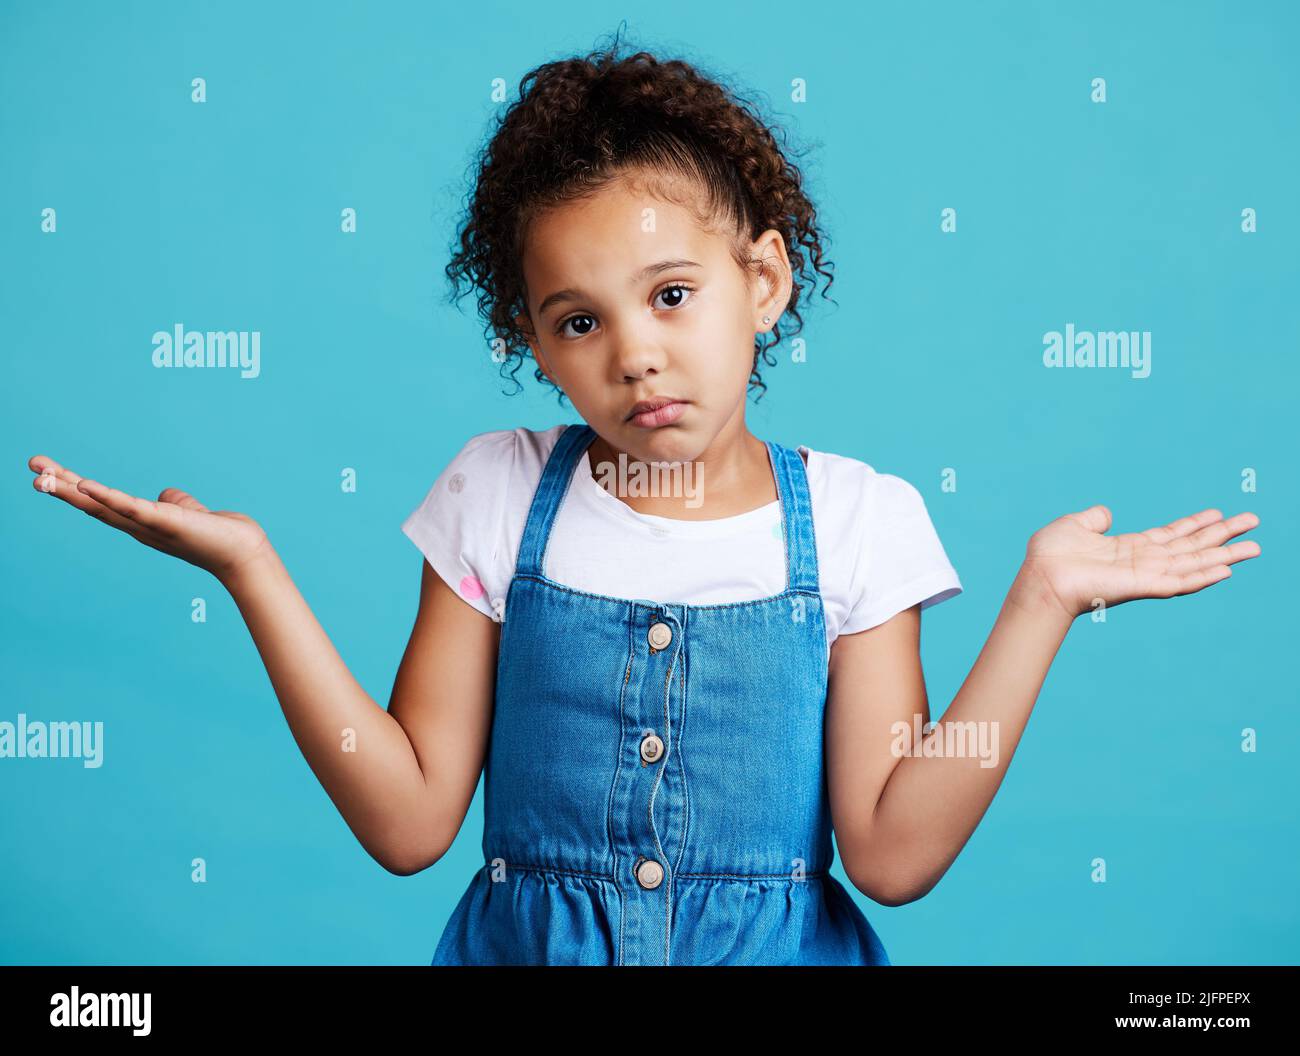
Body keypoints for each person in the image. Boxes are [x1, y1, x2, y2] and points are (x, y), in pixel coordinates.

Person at [27, 34, 1261, 966]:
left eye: (672, 294)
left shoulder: (856, 520)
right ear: (535, 344)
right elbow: (407, 823)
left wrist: (1040, 601)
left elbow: (891, 856)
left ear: (763, 279)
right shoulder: (496, 492)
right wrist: (254, 571)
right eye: (580, 320)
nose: (635, 354)